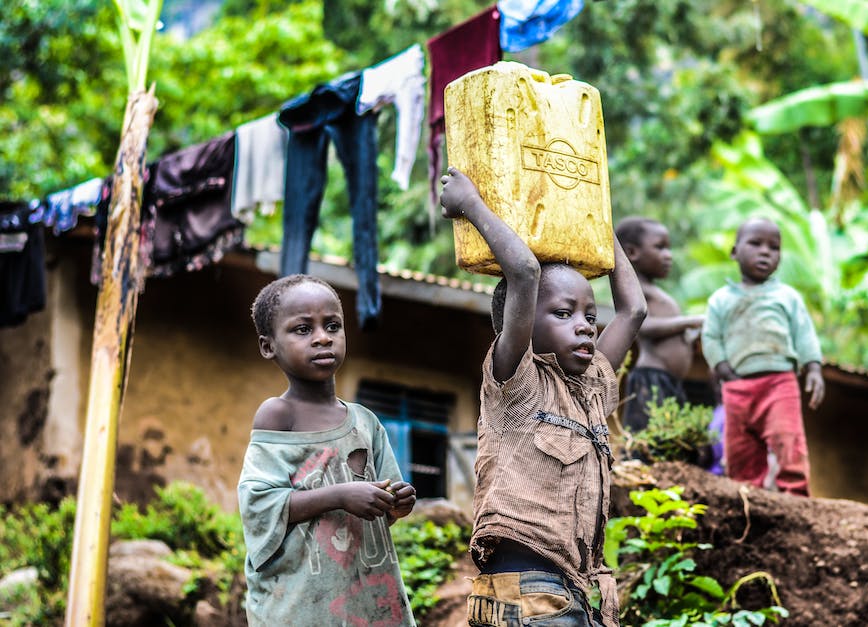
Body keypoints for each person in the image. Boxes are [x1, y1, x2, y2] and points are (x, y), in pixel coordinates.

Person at [440, 167, 646, 627]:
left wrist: (596, 214)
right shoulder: (515, 382)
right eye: (563, 312)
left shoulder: (590, 388)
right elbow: (524, 272)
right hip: (526, 594)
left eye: (590, 316)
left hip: (577, 590)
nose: (586, 325)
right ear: (521, 323)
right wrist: (470, 204)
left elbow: (634, 310)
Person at [237, 274, 417, 626]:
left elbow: (385, 508)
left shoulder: (365, 422)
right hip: (299, 603)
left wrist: (397, 502)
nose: (322, 337)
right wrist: (339, 495)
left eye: (333, 325)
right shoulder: (278, 414)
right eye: (303, 329)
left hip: (366, 598)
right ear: (268, 346)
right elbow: (258, 504)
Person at [701, 217, 825, 497]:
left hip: (780, 383)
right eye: (755, 244)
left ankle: (795, 497)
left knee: (788, 442)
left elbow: (804, 333)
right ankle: (748, 500)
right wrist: (723, 368)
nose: (765, 252)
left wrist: (814, 368)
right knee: (740, 451)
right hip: (736, 387)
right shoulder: (720, 299)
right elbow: (710, 337)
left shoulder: (787, 296)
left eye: (774, 247)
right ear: (734, 252)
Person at [615, 217, 705, 433]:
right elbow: (641, 326)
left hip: (669, 380)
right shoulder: (635, 290)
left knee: (669, 439)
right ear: (632, 252)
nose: (669, 255)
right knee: (647, 439)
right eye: (660, 247)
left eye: (669, 248)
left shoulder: (657, 292)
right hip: (651, 378)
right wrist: (689, 322)